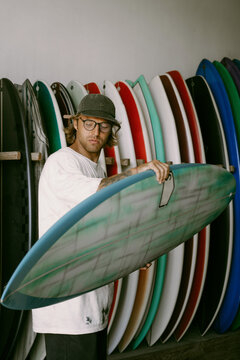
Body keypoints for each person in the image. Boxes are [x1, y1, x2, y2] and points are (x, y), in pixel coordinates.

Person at [32, 93, 169, 360]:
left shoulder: (95, 168)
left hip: (92, 301)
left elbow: (97, 229)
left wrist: (129, 254)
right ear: (76, 124)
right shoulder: (62, 163)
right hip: (67, 304)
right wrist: (139, 171)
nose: (96, 132)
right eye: (89, 123)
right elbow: (100, 192)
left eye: (104, 125)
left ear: (112, 131)